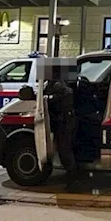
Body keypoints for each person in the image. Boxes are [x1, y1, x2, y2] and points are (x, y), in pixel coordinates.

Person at [40, 60, 87, 191]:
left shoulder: (58, 85)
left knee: (65, 151)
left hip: (64, 121)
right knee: (65, 150)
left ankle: (73, 182)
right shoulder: (53, 84)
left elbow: (64, 94)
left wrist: (48, 98)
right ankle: (74, 179)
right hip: (63, 120)